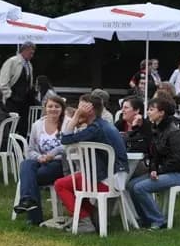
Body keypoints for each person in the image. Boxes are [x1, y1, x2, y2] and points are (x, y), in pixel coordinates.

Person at [53, 94, 129, 234]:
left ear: (90, 109)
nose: (78, 110)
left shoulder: (95, 129)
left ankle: (84, 221)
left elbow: (66, 139)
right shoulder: (102, 125)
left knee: (61, 184)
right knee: (75, 182)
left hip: (107, 180)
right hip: (116, 177)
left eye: (80, 107)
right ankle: (92, 216)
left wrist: (75, 118)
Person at [127, 97, 180, 229]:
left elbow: (178, 160)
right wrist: (153, 168)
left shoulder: (173, 132)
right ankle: (146, 218)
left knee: (140, 188)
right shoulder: (157, 129)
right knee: (131, 185)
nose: (148, 112)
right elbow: (154, 154)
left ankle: (159, 220)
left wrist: (159, 170)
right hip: (165, 170)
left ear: (161, 113)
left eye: (151, 110)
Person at [14, 95, 69, 225]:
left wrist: (51, 155)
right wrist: (39, 157)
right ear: (45, 108)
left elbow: (69, 146)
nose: (53, 109)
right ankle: (28, 200)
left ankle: (33, 215)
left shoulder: (68, 123)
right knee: (26, 163)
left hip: (60, 163)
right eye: (50, 106)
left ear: (62, 109)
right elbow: (30, 149)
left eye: (57, 106)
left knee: (32, 176)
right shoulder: (37, 125)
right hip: (41, 161)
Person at [0, 42, 36, 134]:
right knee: (13, 125)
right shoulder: (12, 62)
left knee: (24, 125)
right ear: (24, 51)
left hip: (25, 100)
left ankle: (21, 145)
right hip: (13, 100)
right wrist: (9, 95)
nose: (32, 55)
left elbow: (28, 82)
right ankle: (10, 145)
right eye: (30, 53)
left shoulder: (29, 65)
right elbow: (3, 81)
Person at [115, 97, 152, 175]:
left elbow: (147, 146)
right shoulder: (120, 124)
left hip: (140, 163)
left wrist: (135, 127)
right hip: (122, 161)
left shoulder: (146, 125)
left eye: (126, 108)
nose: (122, 110)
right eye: (122, 107)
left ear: (136, 110)